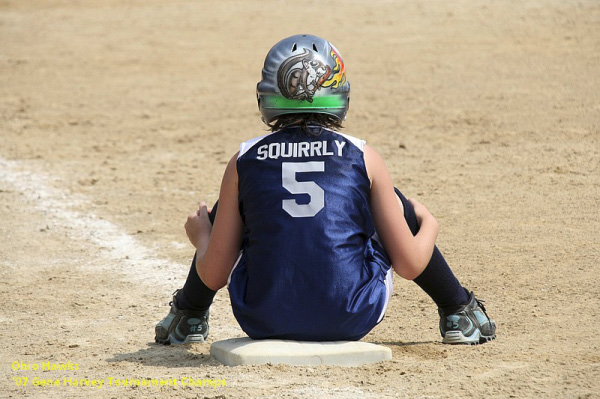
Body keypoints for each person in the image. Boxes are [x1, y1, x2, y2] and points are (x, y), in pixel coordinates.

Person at [155, 34, 496, 346]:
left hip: (261, 319)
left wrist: (203, 236)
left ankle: (188, 316)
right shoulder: (363, 154)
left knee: (236, 206)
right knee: (394, 203)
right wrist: (429, 224)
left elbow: (215, 272)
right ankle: (458, 310)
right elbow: (408, 264)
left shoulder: (244, 158)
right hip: (351, 315)